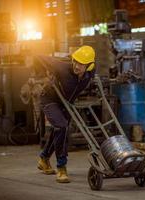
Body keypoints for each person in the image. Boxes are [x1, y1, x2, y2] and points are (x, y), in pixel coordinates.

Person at [34, 45, 96, 183]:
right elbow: (38, 57)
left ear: (90, 66)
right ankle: (61, 167)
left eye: (81, 64)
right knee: (61, 126)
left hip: (66, 102)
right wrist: (43, 74)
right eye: (75, 61)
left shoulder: (90, 72)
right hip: (49, 98)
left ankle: (44, 159)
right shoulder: (61, 67)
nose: (76, 66)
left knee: (60, 130)